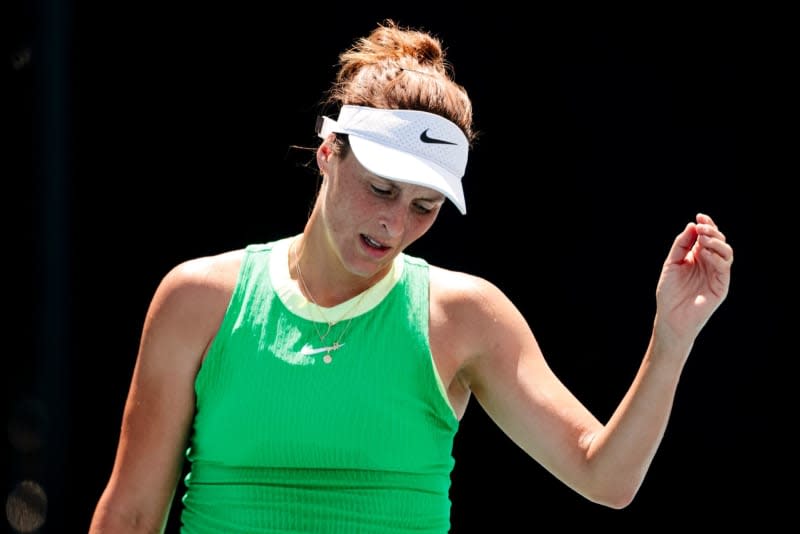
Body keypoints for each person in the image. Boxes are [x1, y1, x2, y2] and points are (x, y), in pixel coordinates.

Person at [89, 19, 733, 533]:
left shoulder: (465, 315)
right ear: (326, 154)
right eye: (380, 189)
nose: (394, 224)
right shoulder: (195, 300)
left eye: (424, 207)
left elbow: (606, 479)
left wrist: (672, 337)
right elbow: (132, 516)